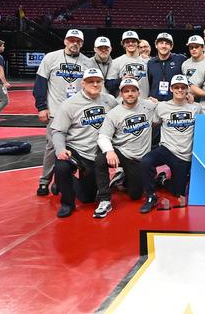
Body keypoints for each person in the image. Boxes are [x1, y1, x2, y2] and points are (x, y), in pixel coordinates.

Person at [50, 68, 118, 217]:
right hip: (74, 149)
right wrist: (60, 149)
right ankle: (67, 204)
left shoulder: (110, 100)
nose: (95, 84)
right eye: (90, 81)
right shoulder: (69, 104)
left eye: (98, 81)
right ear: (82, 83)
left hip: (94, 153)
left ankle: (61, 181)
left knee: (87, 198)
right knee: (62, 167)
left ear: (102, 83)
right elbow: (58, 131)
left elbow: (125, 110)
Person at [33, 29, 92, 196]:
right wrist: (41, 107)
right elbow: (40, 84)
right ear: (65, 41)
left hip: (78, 115)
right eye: (71, 40)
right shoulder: (51, 57)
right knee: (52, 147)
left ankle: (61, 181)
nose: (75, 43)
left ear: (82, 43)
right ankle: (44, 181)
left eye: (78, 41)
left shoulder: (87, 62)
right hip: (56, 112)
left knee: (75, 147)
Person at [94, 78, 156, 218]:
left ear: (139, 92)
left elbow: (169, 106)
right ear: (121, 93)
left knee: (135, 195)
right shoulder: (114, 113)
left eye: (133, 90)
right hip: (122, 153)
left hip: (139, 158)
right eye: (126, 91)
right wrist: (109, 151)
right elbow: (103, 136)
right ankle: (104, 199)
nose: (130, 94)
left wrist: (188, 98)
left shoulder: (149, 106)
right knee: (100, 159)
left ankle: (123, 177)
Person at [140, 75, 200, 213]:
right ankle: (150, 195)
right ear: (171, 89)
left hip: (184, 155)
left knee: (177, 192)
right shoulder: (162, 106)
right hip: (166, 149)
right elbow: (154, 123)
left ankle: (163, 180)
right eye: (176, 87)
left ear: (187, 89)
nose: (180, 90)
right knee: (146, 161)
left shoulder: (196, 108)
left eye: (183, 87)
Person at [108, 31, 149, 98]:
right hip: (124, 102)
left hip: (143, 101)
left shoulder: (147, 61)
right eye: (127, 42)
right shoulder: (116, 62)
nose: (130, 44)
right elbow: (109, 85)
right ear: (123, 44)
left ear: (138, 43)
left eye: (133, 41)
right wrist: (121, 80)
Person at [147, 32, 185, 102]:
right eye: (161, 43)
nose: (164, 46)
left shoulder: (180, 59)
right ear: (156, 45)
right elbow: (148, 84)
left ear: (171, 46)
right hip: (155, 103)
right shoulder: (150, 63)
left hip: (174, 103)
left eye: (167, 43)